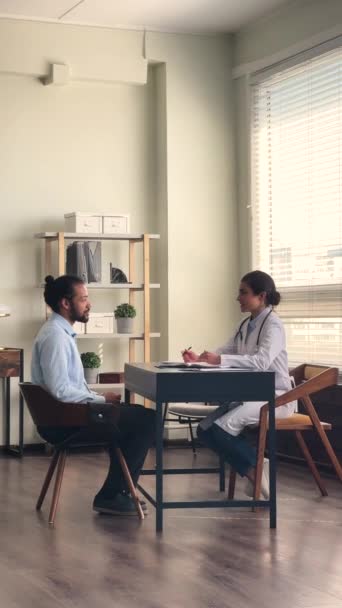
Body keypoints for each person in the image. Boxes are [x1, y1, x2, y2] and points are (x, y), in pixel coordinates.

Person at [31, 274, 155, 516]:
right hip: (64, 422)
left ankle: (115, 493)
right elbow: (61, 391)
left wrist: (100, 398)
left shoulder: (59, 332)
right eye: (84, 299)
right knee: (146, 420)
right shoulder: (56, 337)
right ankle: (112, 495)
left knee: (138, 416)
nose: (89, 304)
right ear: (65, 303)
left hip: (65, 416)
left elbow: (66, 388)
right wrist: (101, 399)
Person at [182, 270, 296, 498]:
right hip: (252, 395)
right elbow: (226, 350)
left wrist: (220, 359)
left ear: (261, 296)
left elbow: (262, 362)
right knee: (204, 430)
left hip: (276, 397)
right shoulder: (247, 324)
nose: (238, 298)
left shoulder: (273, 325)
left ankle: (255, 473)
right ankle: (256, 463)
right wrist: (203, 358)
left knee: (221, 429)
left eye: (243, 292)